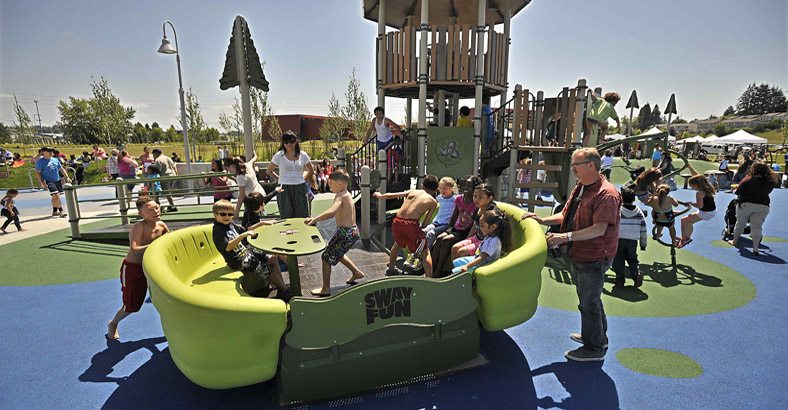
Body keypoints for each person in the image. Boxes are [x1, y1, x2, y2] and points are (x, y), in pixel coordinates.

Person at [522, 148, 621, 362]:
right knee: (591, 299)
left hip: (594, 256)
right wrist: (541, 220)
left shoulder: (607, 193)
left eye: (576, 165)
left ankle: (594, 347)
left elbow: (598, 229)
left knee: (588, 302)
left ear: (591, 165)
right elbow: (564, 215)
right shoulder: (581, 187)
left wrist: (565, 237)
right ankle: (597, 337)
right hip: (580, 253)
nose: (573, 169)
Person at [107, 196, 169, 340]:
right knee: (132, 305)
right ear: (142, 214)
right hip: (133, 269)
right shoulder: (139, 227)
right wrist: (157, 243)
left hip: (152, 268)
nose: (156, 211)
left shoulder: (162, 226)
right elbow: (134, 249)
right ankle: (113, 323)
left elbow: (169, 240)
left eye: (157, 207)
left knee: (165, 298)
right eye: (150, 209)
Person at [212, 199, 291, 301]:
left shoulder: (230, 225)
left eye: (230, 214)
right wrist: (243, 235)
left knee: (273, 258)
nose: (227, 217)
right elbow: (227, 247)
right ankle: (285, 291)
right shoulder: (218, 230)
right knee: (267, 268)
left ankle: (281, 285)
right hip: (237, 260)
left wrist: (263, 223)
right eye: (223, 214)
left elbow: (247, 229)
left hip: (245, 254)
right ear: (215, 215)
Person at [305, 170, 364, 296]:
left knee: (326, 257)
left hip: (344, 233)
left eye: (331, 183)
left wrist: (315, 219)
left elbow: (332, 212)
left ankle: (325, 288)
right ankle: (356, 272)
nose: (329, 186)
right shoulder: (347, 194)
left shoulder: (340, 196)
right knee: (338, 253)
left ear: (340, 183)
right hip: (353, 231)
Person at [374, 175, 439, 277]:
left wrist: (380, 195)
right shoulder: (433, 202)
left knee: (397, 244)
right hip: (411, 224)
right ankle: (429, 278)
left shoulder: (413, 192)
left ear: (422, 186)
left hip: (397, 222)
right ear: (435, 190)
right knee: (425, 251)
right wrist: (419, 229)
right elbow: (426, 223)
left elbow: (392, 195)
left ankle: (391, 268)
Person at [431, 175, 481, 276]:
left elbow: (475, 223)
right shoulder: (459, 199)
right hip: (456, 228)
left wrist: (468, 238)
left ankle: (438, 271)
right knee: (440, 238)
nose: (466, 188)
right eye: (464, 186)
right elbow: (455, 216)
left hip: (466, 231)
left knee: (446, 240)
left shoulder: (475, 202)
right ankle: (431, 269)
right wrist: (449, 229)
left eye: (469, 186)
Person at [728, 162, 778, 256]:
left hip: (746, 204)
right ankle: (755, 248)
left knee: (740, 223)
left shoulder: (748, 180)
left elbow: (738, 192)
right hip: (763, 205)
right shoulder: (770, 181)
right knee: (756, 227)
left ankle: (735, 241)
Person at [266, 131, 314, 219]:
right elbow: (269, 171)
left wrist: (302, 179)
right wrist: (279, 179)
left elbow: (311, 171)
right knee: (286, 215)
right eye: (286, 142)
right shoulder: (279, 155)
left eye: (291, 141)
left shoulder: (303, 155)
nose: (289, 144)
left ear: (296, 141)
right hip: (284, 188)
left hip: (300, 187)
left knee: (302, 215)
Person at [452, 209, 512, 274]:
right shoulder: (489, 235)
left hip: (482, 265)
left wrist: (467, 266)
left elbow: (482, 257)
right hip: (476, 258)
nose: (480, 228)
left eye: (482, 226)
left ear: (493, 227)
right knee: (457, 262)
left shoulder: (493, 241)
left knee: (457, 271)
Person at [450, 183, 499, 261]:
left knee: (462, 252)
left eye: (480, 197)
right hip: (477, 237)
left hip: (485, 241)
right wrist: (467, 239)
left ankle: (464, 272)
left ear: (489, 198)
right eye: (475, 196)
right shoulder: (477, 209)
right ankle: (455, 272)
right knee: (455, 248)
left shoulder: (492, 212)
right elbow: (474, 226)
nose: (476, 199)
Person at [613, 188, 647, 287]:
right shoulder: (639, 212)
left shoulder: (618, 210)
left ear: (621, 199)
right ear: (634, 199)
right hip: (633, 239)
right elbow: (644, 228)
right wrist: (643, 244)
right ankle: (636, 275)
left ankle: (620, 279)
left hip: (619, 238)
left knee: (618, 259)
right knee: (633, 258)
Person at [678, 171, 717, 248]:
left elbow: (700, 206)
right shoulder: (708, 188)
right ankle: (687, 237)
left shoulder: (699, 193)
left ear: (697, 184)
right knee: (689, 222)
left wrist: (691, 203)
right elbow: (699, 176)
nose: (691, 187)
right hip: (712, 211)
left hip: (706, 212)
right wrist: (689, 167)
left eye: (692, 185)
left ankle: (683, 239)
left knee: (683, 220)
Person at [35, 147, 71, 217]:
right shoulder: (40, 162)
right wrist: (42, 183)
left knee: (55, 196)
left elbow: (61, 169)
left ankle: (55, 210)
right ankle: (61, 210)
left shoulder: (55, 160)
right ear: (44, 152)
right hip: (48, 180)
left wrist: (67, 177)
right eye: (48, 151)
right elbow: (38, 173)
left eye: (51, 151)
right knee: (56, 194)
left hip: (57, 180)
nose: (51, 152)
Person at [423, 177, 457, 250]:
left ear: (451, 189)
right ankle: (418, 251)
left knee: (431, 234)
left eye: (444, 189)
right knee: (423, 231)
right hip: (437, 221)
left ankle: (426, 253)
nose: (441, 191)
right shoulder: (439, 198)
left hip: (445, 223)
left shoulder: (455, 199)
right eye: (440, 188)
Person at [229, 154, 266, 220]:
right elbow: (254, 158)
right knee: (261, 217)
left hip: (251, 200)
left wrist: (237, 211)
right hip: (260, 194)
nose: (229, 170)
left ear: (232, 166)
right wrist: (255, 154)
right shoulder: (248, 165)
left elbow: (242, 194)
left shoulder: (240, 176)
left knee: (250, 220)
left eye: (228, 167)